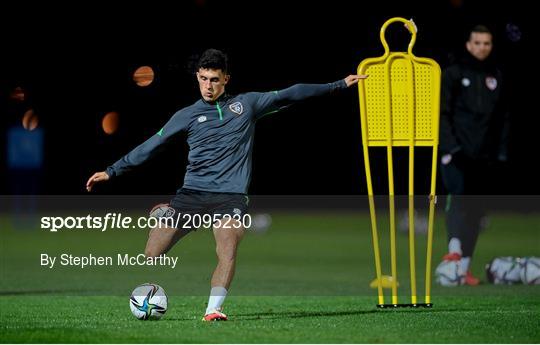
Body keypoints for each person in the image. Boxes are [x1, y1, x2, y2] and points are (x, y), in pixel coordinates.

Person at [86, 49, 367, 320]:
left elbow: (292, 92)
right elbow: (152, 144)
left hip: (230, 197)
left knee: (227, 248)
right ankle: (164, 211)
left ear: (226, 79)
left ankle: (213, 310)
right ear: (197, 76)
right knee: (152, 254)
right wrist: (113, 170)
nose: (208, 86)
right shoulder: (187, 114)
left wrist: (339, 84)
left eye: (214, 80)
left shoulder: (246, 105)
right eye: (204, 79)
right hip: (192, 196)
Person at [437, 25, 510, 285]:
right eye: (477, 42)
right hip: (456, 153)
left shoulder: (496, 76)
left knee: (477, 210)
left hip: (483, 156)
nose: (482, 47)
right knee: (458, 199)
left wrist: (500, 152)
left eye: (487, 43)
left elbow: (502, 118)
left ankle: (464, 268)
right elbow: (441, 114)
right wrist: (451, 147)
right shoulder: (453, 74)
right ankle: (453, 255)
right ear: (469, 44)